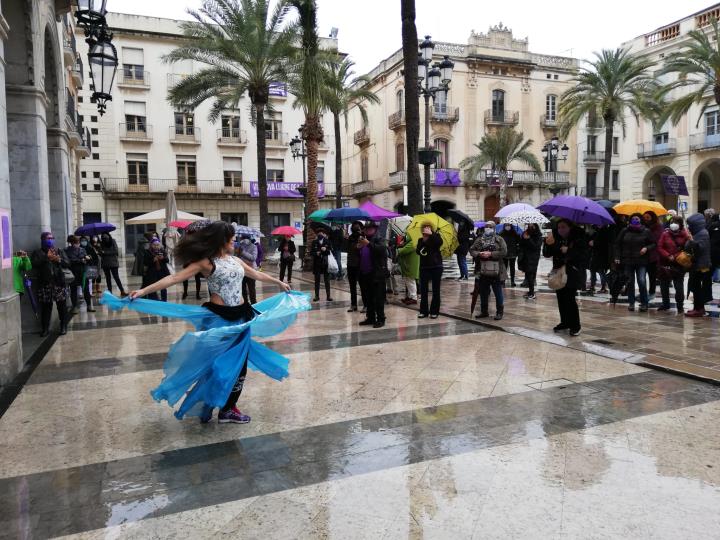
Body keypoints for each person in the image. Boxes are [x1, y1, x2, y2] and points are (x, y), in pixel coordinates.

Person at [114, 220, 297, 424]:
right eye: (231, 238)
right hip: (220, 319)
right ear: (222, 240)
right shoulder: (206, 263)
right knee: (217, 366)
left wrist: (278, 282)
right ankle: (216, 404)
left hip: (242, 316)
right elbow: (174, 278)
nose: (235, 240)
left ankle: (228, 408)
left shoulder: (235, 260)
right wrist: (143, 291)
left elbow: (254, 273)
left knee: (240, 366)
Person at [542, 219, 587, 336]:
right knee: (561, 297)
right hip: (559, 271)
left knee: (570, 298)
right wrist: (548, 244)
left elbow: (584, 255)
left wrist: (569, 250)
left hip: (573, 272)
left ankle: (576, 325)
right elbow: (547, 254)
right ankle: (565, 322)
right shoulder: (555, 236)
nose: (561, 230)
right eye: (559, 227)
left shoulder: (578, 236)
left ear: (570, 227)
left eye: (563, 227)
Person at [615, 213, 656, 312]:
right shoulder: (625, 231)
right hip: (628, 260)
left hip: (641, 261)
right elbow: (617, 244)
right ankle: (631, 303)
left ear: (640, 220)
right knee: (630, 282)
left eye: (637, 218)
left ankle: (644, 303)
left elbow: (654, 243)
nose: (635, 220)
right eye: (633, 218)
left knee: (641, 281)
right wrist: (617, 257)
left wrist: (646, 248)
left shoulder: (646, 231)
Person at [31, 232, 70, 336]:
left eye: (52, 238)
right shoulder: (37, 252)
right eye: (48, 238)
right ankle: (45, 329)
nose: (50, 240)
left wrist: (58, 259)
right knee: (46, 308)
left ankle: (63, 326)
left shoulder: (58, 251)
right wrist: (46, 258)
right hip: (45, 283)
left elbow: (67, 263)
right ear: (42, 240)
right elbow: (34, 264)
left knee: (62, 306)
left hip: (58, 283)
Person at [469, 221, 507, 320]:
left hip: (496, 270)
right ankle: (484, 311)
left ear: (494, 228)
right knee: (483, 292)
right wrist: (479, 254)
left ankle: (499, 312)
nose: (488, 228)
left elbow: (504, 252)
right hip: (482, 270)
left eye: (490, 227)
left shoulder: (499, 239)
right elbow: (472, 250)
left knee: (497, 291)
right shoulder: (479, 239)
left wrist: (491, 254)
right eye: (486, 227)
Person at [656, 216, 689, 313]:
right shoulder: (665, 234)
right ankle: (665, 304)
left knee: (679, 287)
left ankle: (680, 306)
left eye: (675, 222)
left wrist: (676, 256)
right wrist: (668, 255)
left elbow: (687, 249)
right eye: (671, 222)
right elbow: (659, 247)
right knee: (664, 285)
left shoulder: (685, 235)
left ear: (680, 224)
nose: (673, 224)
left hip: (678, 264)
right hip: (665, 263)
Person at [357, 222, 388, 328]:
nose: (367, 230)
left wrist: (368, 244)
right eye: (366, 229)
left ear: (375, 229)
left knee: (378, 298)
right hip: (365, 273)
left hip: (377, 274)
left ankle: (380, 318)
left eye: (369, 228)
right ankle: (370, 317)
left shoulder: (379, 238)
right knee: (368, 297)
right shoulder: (365, 239)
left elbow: (382, 250)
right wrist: (359, 247)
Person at [686, 213, 713, 317]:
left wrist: (691, 240)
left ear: (696, 224)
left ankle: (699, 308)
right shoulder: (698, 233)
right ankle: (696, 307)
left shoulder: (703, 233)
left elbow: (700, 248)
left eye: (690, 224)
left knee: (697, 287)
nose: (689, 227)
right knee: (694, 286)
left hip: (701, 265)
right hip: (695, 264)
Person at [416, 222, 444, 319]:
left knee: (436, 290)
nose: (426, 229)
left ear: (431, 229)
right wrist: (424, 241)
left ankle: (434, 311)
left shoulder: (436, 237)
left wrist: (432, 236)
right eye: (424, 228)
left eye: (428, 227)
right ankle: (423, 311)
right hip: (424, 267)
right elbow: (418, 251)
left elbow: (439, 243)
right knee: (423, 290)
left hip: (436, 267)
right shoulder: (420, 240)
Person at [65, 235, 94, 314]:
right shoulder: (67, 250)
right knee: (73, 290)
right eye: (76, 242)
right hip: (73, 273)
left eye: (78, 242)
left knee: (86, 289)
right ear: (72, 243)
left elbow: (86, 258)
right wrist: (82, 260)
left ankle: (89, 305)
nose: (78, 244)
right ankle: (74, 306)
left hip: (83, 272)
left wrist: (88, 257)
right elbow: (71, 261)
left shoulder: (82, 249)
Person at [642, 211, 664, 298]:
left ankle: (652, 292)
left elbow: (657, 240)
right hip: (643, 255)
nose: (646, 219)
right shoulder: (643, 227)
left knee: (652, 276)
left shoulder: (658, 227)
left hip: (653, 256)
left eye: (648, 217)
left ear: (652, 217)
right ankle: (643, 292)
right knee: (642, 276)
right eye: (644, 217)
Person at [98, 232, 127, 297]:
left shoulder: (113, 241)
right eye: (104, 237)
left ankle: (122, 291)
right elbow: (100, 253)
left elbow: (116, 251)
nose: (105, 239)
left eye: (106, 237)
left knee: (116, 277)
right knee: (108, 278)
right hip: (106, 263)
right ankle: (110, 292)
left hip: (113, 263)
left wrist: (105, 252)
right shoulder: (101, 243)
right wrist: (99, 249)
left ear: (108, 236)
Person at [518, 223, 542, 299]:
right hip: (526, 257)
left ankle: (532, 292)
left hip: (533, 258)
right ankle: (530, 291)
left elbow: (536, 246)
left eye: (532, 226)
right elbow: (522, 245)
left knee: (531, 274)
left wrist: (529, 239)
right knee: (528, 275)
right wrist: (523, 237)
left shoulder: (538, 236)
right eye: (529, 226)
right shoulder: (526, 233)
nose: (530, 227)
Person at [345, 221, 364, 312]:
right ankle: (353, 305)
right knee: (352, 286)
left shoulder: (363, 237)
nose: (356, 229)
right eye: (354, 227)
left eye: (357, 227)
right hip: (351, 264)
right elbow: (347, 249)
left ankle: (365, 305)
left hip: (360, 265)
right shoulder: (350, 238)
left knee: (363, 286)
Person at [311, 229, 333, 302]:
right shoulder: (314, 242)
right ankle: (317, 296)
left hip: (325, 263)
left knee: (327, 280)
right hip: (317, 263)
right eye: (318, 232)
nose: (320, 234)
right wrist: (316, 253)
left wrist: (325, 249)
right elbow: (311, 252)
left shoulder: (327, 241)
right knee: (317, 280)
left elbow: (330, 251)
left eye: (321, 232)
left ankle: (328, 296)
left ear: (323, 234)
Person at [236, 235, 258, 304]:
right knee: (242, 289)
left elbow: (253, 258)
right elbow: (236, 258)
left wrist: (243, 252)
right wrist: (237, 252)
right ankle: (245, 304)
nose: (244, 240)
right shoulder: (240, 246)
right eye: (243, 238)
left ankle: (254, 304)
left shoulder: (254, 246)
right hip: (242, 270)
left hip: (251, 270)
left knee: (251, 289)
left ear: (249, 239)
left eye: (246, 238)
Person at [397, 234, 419, 305]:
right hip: (408, 265)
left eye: (406, 235)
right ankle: (409, 296)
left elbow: (403, 251)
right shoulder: (410, 242)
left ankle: (413, 298)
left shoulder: (412, 242)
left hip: (410, 265)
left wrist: (399, 247)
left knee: (411, 281)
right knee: (408, 280)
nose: (405, 236)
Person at [709, 213, 720, 283]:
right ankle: (716, 278)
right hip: (715, 248)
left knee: (714, 264)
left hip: (714, 248)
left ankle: (714, 277)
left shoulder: (712, 224)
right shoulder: (714, 225)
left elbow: (709, 234)